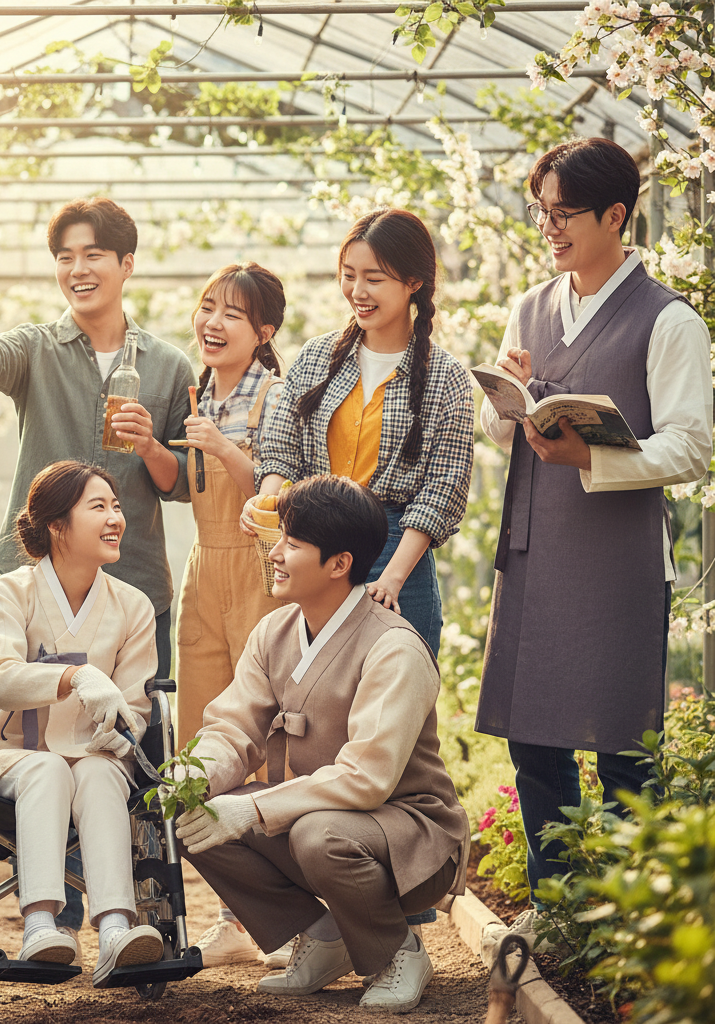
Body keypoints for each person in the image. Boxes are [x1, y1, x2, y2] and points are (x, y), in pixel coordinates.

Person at [0, 197, 194, 949]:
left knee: (115, 747)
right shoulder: (39, 350)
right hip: (39, 577)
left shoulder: (168, 365)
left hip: (132, 580)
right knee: (43, 752)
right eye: (65, 257)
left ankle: (123, 917)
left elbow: (181, 483)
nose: (78, 269)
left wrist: (150, 447)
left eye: (93, 255)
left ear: (126, 264)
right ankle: (56, 921)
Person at [476, 137, 713, 946]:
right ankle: (556, 911)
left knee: (622, 747)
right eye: (540, 210)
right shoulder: (531, 307)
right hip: (534, 551)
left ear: (616, 215)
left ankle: (629, 924)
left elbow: (691, 446)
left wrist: (594, 457)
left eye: (563, 212)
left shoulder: (669, 319)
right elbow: (500, 429)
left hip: (616, 563)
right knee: (533, 743)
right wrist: (507, 396)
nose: (548, 226)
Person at [243, 207, 474, 935]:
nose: (358, 291)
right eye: (349, 276)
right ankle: (330, 900)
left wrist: (393, 577)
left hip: (399, 550)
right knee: (312, 712)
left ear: (415, 283)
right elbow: (279, 444)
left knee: (390, 733)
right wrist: (273, 498)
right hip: (317, 546)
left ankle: (401, 900)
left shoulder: (445, 377)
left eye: (375, 277)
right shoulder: (318, 358)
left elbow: (443, 487)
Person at [175, 475, 470, 1013]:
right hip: (326, 817)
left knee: (316, 835)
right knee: (195, 815)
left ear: (339, 564)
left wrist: (252, 808)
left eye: (291, 543)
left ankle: (399, 952)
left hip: (413, 834)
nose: (274, 554)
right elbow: (232, 730)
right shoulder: (273, 632)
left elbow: (367, 778)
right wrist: (197, 776)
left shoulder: (394, 647)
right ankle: (324, 936)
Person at [0, 460, 165, 985]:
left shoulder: (134, 606)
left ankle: (117, 930)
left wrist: (119, 731)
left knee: (98, 773)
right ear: (57, 525)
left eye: (116, 506)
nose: (116, 518)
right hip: (10, 751)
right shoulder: (9, 592)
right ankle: (39, 925)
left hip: (94, 753)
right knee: (48, 768)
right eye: (98, 507)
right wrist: (75, 677)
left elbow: (136, 708)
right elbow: (1, 678)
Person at [176, 262, 286, 968]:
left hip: (258, 570)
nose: (213, 323)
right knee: (200, 742)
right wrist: (153, 445)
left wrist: (221, 445)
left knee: (269, 741)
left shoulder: (274, 395)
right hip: (202, 571)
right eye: (208, 307)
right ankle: (232, 919)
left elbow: (276, 490)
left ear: (264, 331)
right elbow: (177, 483)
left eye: (233, 314)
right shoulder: (195, 392)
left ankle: (289, 916)